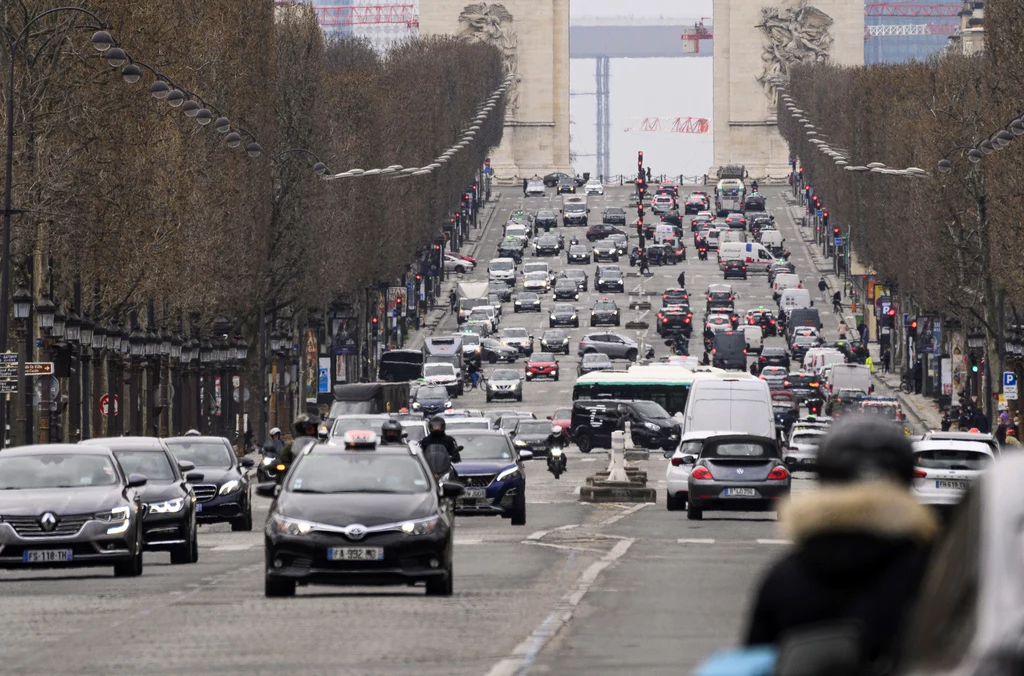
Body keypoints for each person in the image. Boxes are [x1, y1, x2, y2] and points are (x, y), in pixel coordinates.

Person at [744, 417, 939, 672]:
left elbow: (753, 662)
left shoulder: (785, 577)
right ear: (905, 481)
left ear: (824, 479)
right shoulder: (934, 576)